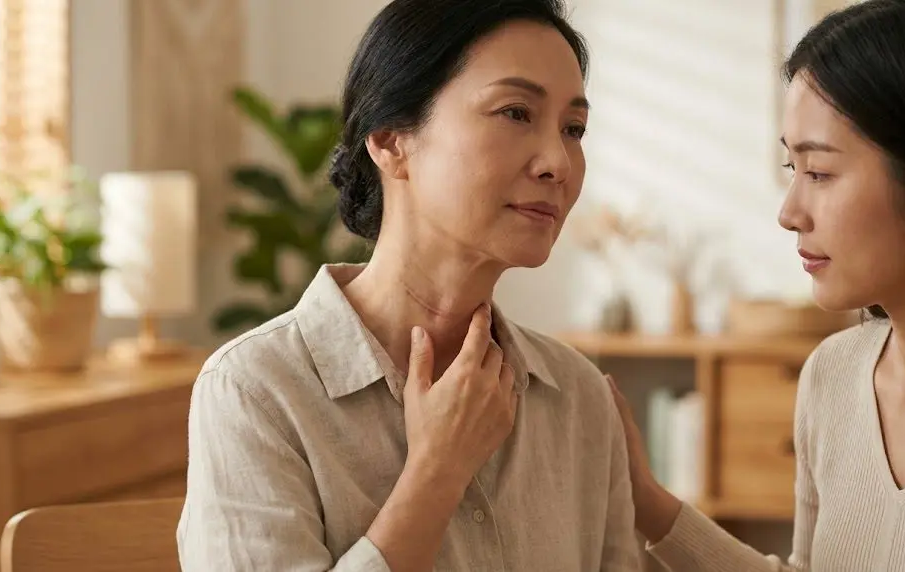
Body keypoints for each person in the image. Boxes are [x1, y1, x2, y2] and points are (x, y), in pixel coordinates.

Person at [176, 1, 641, 570]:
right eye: (516, 112)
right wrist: (436, 474)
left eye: (574, 129)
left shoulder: (580, 398)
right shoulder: (255, 392)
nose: (559, 163)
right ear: (391, 140)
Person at [608, 0, 905, 570]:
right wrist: (645, 498)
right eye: (794, 169)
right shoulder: (830, 376)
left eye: (819, 172)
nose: (789, 213)